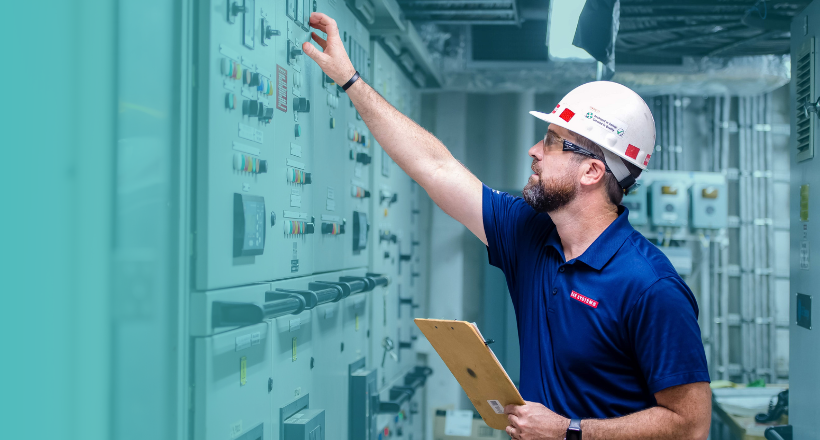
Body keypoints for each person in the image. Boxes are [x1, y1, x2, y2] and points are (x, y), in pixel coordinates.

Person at [302, 12, 712, 440]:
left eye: (553, 141)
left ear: (592, 172)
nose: (535, 149)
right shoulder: (531, 234)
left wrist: (568, 431)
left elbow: (691, 425)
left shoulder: (650, 286)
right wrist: (350, 80)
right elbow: (435, 167)